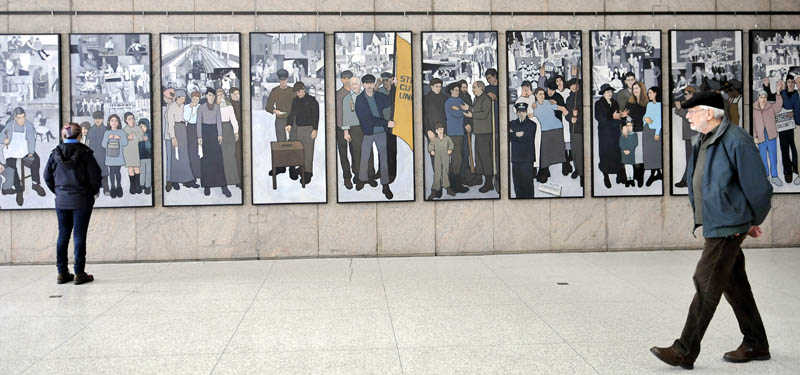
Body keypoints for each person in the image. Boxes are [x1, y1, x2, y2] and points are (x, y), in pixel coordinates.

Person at [650, 92, 773, 370]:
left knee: (705, 282)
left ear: (710, 112)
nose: (688, 116)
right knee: (734, 283)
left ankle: (684, 350)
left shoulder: (736, 140)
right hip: (719, 222)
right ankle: (756, 342)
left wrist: (752, 219)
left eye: (692, 111)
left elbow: (759, 189)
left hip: (728, 226)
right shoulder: (705, 139)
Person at [44, 122, 101, 285]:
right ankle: (79, 273)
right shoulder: (86, 153)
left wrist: (59, 192)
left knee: (63, 233)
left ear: (63, 136)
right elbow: (95, 177)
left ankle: (62, 272)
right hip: (82, 199)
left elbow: (47, 176)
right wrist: (91, 192)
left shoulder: (55, 153)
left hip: (62, 200)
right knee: (79, 234)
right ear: (80, 135)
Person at [354, 74, 394, 199]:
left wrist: (394, 87)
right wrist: (385, 122)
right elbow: (367, 118)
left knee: (383, 158)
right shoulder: (360, 100)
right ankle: (362, 179)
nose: (369, 85)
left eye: (371, 83)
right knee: (364, 156)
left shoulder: (379, 96)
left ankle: (385, 184)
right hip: (369, 132)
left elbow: (390, 100)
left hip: (381, 132)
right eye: (367, 83)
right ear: (363, 85)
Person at [2, 107, 47, 206]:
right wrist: (4, 140)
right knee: (10, 166)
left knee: (36, 159)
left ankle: (35, 183)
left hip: (24, 148)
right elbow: (2, 136)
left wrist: (30, 152)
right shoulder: (10, 125)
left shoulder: (29, 126)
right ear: (14, 117)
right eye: (18, 118)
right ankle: (19, 190)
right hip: (12, 149)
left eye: (23, 117)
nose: (21, 120)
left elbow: (31, 140)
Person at [196, 87, 231, 198]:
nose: (211, 97)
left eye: (213, 95)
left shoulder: (216, 107)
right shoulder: (201, 108)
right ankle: (207, 185)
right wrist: (199, 136)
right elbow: (198, 123)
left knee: (218, 159)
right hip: (205, 133)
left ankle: (223, 186)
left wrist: (220, 134)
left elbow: (219, 121)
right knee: (206, 160)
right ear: (206, 96)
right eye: (209, 95)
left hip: (214, 132)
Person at [342, 75, 374, 189]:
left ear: (360, 85)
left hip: (366, 127)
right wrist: (346, 132)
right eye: (353, 84)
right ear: (350, 86)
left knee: (368, 151)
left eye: (357, 84)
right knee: (356, 153)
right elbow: (345, 116)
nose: (355, 86)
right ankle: (359, 177)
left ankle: (370, 175)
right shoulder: (347, 99)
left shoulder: (367, 96)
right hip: (354, 128)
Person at [265, 68, 298, 179]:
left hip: (292, 120)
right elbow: (268, 107)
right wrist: (275, 111)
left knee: (293, 142)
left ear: (287, 79)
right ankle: (281, 166)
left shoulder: (292, 91)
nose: (283, 82)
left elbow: (297, 105)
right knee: (280, 143)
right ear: (279, 80)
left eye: (284, 80)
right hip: (280, 119)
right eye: (281, 80)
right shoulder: (275, 91)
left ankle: (292, 167)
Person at [532, 87, 568, 184]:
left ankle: (566, 166)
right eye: (540, 94)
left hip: (556, 127)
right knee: (544, 151)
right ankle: (544, 171)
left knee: (560, 148)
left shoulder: (548, 102)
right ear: (535, 95)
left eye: (543, 94)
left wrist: (567, 114)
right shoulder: (533, 105)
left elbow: (561, 108)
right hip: (543, 130)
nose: (542, 96)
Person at [595, 83, 629, 188]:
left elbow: (619, 115)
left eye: (611, 91)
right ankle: (606, 175)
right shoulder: (599, 103)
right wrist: (613, 116)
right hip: (605, 133)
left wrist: (623, 120)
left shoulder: (615, 102)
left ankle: (618, 172)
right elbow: (601, 118)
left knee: (616, 152)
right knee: (605, 153)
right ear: (603, 93)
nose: (610, 93)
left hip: (614, 132)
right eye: (608, 92)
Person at [753, 81, 785, 187]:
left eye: (765, 97)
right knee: (762, 157)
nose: (763, 99)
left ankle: (774, 177)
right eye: (761, 97)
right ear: (758, 98)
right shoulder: (753, 108)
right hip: (760, 136)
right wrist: (755, 136)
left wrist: (778, 93)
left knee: (773, 156)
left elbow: (779, 106)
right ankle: (766, 176)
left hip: (771, 135)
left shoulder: (771, 107)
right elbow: (753, 124)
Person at [286, 81, 319, 185]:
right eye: (296, 92)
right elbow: (291, 113)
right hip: (299, 128)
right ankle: (301, 168)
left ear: (303, 90)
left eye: (299, 91)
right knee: (300, 151)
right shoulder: (295, 101)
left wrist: (315, 129)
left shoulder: (312, 100)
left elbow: (316, 116)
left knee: (308, 152)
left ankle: (308, 173)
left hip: (310, 129)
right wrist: (289, 124)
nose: (298, 94)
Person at [166, 90, 196, 190]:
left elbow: (187, 118)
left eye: (184, 99)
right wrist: (173, 137)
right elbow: (170, 124)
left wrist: (191, 108)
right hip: (176, 130)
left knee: (184, 155)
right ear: (177, 98)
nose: (183, 101)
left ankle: (187, 179)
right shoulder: (171, 108)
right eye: (181, 99)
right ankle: (175, 180)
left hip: (184, 130)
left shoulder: (184, 107)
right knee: (176, 156)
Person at [444, 82, 469, 195]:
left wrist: (461, 109)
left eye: (458, 90)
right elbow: (457, 114)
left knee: (460, 158)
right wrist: (462, 110)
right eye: (455, 90)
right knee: (456, 158)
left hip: (460, 132)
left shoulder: (460, 101)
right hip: (453, 133)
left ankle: (457, 183)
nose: (457, 92)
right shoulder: (448, 102)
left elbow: (467, 110)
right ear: (451, 91)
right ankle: (455, 185)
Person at [509, 102, 536, 198]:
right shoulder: (511, 123)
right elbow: (508, 137)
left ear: (526, 112)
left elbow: (527, 137)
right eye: (519, 112)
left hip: (527, 159)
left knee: (527, 185)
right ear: (516, 113)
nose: (521, 114)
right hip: (516, 159)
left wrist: (514, 134)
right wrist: (517, 134)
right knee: (517, 185)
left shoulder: (532, 125)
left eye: (523, 111)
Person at [216, 88, 241, 189]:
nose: (220, 96)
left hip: (228, 130)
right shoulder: (213, 107)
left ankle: (233, 179)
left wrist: (236, 131)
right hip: (217, 130)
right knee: (221, 156)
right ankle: (221, 180)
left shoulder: (229, 106)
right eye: (218, 95)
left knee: (230, 155)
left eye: (221, 94)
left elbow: (234, 120)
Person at [674, 86, 698, 188]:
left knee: (691, 158)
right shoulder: (689, 104)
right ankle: (688, 180)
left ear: (692, 94)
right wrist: (679, 108)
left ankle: (686, 180)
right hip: (689, 135)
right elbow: (677, 112)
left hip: (694, 135)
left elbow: (690, 118)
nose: (685, 96)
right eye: (685, 94)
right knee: (690, 158)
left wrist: (680, 108)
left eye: (687, 94)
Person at [779, 74, 799, 184]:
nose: (790, 84)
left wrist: (794, 114)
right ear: (786, 84)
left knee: (795, 147)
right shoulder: (782, 94)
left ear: (794, 84)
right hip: (784, 126)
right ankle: (787, 170)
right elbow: (777, 107)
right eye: (788, 82)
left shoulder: (797, 94)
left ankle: (796, 166)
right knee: (784, 149)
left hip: (796, 126)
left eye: (792, 82)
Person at [336, 70, 355, 189]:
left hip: (355, 127)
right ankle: (347, 177)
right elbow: (339, 114)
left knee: (355, 152)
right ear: (341, 80)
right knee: (343, 154)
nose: (347, 80)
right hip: (341, 128)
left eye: (349, 78)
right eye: (344, 78)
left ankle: (357, 174)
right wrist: (344, 130)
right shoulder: (338, 94)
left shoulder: (356, 92)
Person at [101, 114, 128, 198]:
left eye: (116, 121)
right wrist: (108, 138)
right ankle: (112, 187)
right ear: (109, 122)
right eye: (112, 120)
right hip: (110, 157)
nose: (114, 122)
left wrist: (119, 138)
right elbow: (103, 145)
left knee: (118, 172)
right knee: (112, 172)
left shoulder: (121, 132)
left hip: (118, 157)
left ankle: (119, 187)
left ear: (118, 122)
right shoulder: (107, 132)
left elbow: (125, 143)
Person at [643, 86, 663, 187]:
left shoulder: (660, 105)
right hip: (647, 130)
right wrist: (645, 119)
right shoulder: (649, 104)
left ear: (655, 93)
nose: (648, 94)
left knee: (655, 153)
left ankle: (653, 174)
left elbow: (660, 121)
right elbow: (645, 116)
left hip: (655, 132)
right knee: (649, 153)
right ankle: (657, 173)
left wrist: (657, 133)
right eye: (648, 93)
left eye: (650, 92)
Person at [427, 123, 453, 199]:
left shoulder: (447, 138)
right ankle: (435, 189)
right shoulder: (435, 139)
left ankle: (448, 188)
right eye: (439, 130)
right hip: (437, 157)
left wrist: (450, 149)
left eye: (441, 129)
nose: (440, 131)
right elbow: (431, 145)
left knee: (445, 171)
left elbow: (451, 144)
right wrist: (431, 150)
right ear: (436, 131)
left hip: (445, 157)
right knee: (437, 172)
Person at [565, 78, 584, 187]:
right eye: (571, 85)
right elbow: (567, 113)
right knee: (574, 151)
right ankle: (577, 169)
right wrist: (570, 118)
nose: (573, 87)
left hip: (580, 128)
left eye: (575, 85)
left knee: (579, 152)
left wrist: (577, 117)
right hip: (571, 128)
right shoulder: (569, 99)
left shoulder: (582, 97)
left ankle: (582, 174)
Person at [122, 112, 144, 194]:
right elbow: (122, 141)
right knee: (130, 168)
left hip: (136, 151)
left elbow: (142, 137)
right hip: (128, 151)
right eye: (129, 119)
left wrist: (135, 137)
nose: (132, 120)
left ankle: (138, 185)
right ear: (126, 120)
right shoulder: (124, 130)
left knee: (137, 168)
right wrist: (127, 137)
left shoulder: (138, 128)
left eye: (133, 118)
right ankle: (132, 185)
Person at [184, 91, 202, 185]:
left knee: (200, 152)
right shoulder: (186, 107)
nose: (195, 100)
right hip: (190, 129)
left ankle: (199, 172)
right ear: (191, 98)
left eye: (197, 99)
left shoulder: (200, 107)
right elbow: (186, 118)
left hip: (199, 128)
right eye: (193, 98)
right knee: (191, 151)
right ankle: (192, 174)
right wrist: (191, 109)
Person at [619, 120, 638, 187]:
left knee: (630, 166)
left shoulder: (634, 134)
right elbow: (621, 143)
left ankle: (631, 179)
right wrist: (624, 150)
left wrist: (630, 150)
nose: (629, 127)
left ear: (632, 127)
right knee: (626, 166)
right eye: (627, 125)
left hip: (631, 152)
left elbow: (635, 143)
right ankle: (628, 179)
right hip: (624, 153)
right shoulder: (623, 135)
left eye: (630, 125)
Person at [137, 118, 152, 195]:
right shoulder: (138, 135)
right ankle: (142, 184)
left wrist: (147, 140)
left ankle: (148, 187)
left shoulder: (150, 134)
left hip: (149, 157)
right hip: (141, 157)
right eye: (141, 126)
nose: (142, 128)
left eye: (144, 126)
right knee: (142, 171)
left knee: (148, 172)